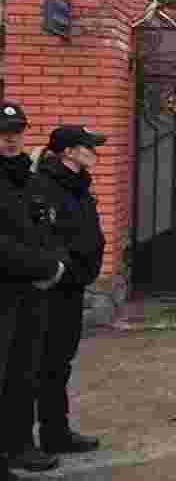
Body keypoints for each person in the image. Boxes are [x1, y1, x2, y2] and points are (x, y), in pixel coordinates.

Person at [19, 127, 107, 457]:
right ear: (68, 151)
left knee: (59, 364)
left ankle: (56, 432)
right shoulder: (45, 185)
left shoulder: (78, 183)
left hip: (72, 286)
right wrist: (61, 269)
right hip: (52, 287)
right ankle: (22, 441)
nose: (94, 152)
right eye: (88, 147)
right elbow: (46, 237)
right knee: (38, 364)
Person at [0, 102, 67, 479]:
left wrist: (55, 265)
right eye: (3, 133)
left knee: (24, 372)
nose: (10, 139)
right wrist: (43, 267)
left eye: (16, 132)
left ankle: (20, 445)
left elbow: (50, 229)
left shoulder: (31, 178)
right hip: (4, 291)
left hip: (33, 293)